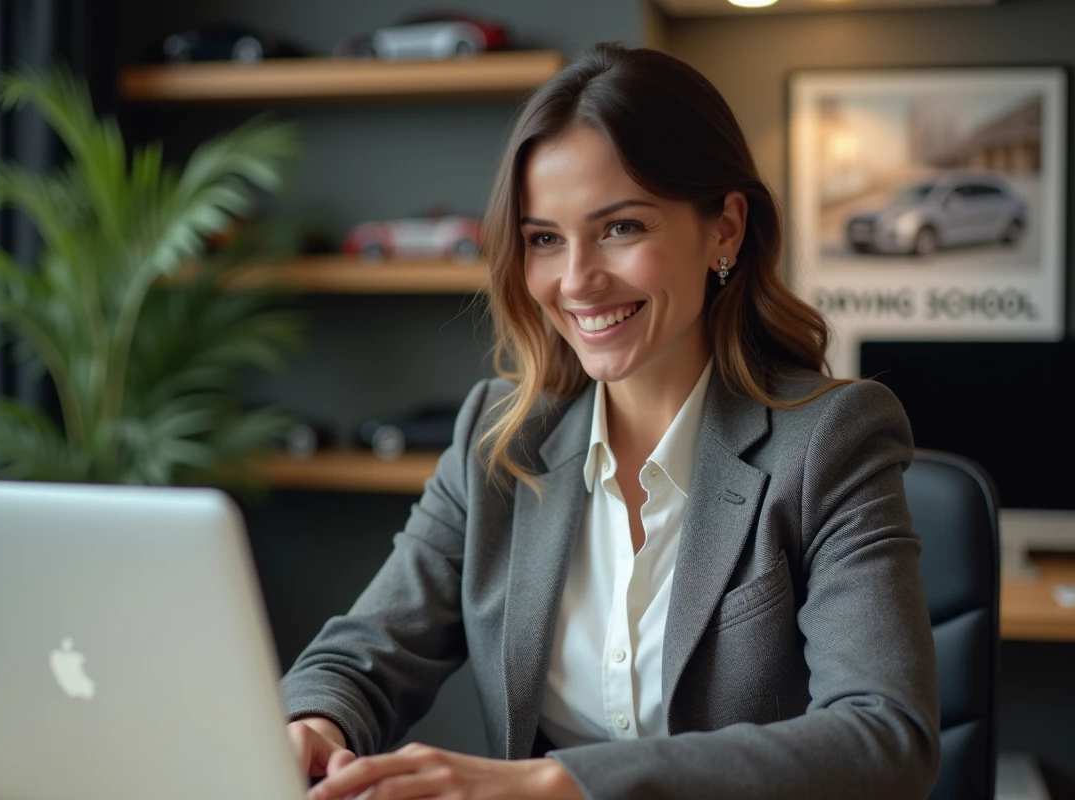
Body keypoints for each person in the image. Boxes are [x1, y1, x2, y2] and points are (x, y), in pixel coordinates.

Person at [280, 42, 940, 800]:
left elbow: (886, 737)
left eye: (621, 228)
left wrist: (564, 783)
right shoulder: (499, 437)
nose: (577, 281)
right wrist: (314, 723)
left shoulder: (830, 440)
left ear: (725, 228)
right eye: (544, 240)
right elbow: (366, 651)